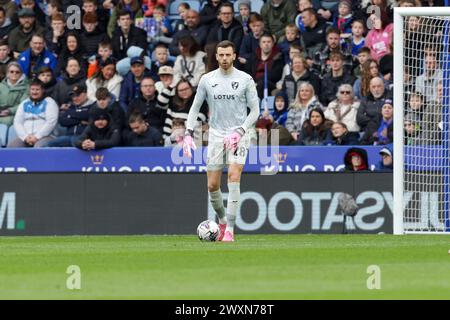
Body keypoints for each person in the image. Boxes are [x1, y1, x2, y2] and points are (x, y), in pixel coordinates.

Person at [182, 40, 260, 242]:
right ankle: (223, 221)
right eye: (221, 55)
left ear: (234, 56)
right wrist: (189, 133)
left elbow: (255, 111)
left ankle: (230, 230)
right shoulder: (207, 80)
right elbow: (194, 108)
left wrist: (241, 130)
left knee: (234, 176)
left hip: (239, 135)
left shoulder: (245, 79)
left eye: (228, 55)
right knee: (212, 185)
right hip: (216, 135)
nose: (225, 58)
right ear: (216, 57)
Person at [8, 78, 58, 148]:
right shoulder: (24, 103)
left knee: (38, 147)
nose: (34, 92)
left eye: (37, 89)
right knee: (12, 147)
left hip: (46, 136)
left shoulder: (50, 102)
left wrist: (37, 137)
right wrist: (25, 137)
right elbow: (17, 122)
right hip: (26, 137)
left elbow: (51, 122)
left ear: (43, 90)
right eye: (32, 89)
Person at [0, 62, 29, 127]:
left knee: (8, 121)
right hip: (1, 113)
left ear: (21, 74)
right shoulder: (1, 86)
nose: (14, 73)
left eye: (17, 72)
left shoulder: (27, 87)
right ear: (7, 73)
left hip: (15, 114)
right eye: (11, 71)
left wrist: (9, 111)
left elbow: (23, 104)